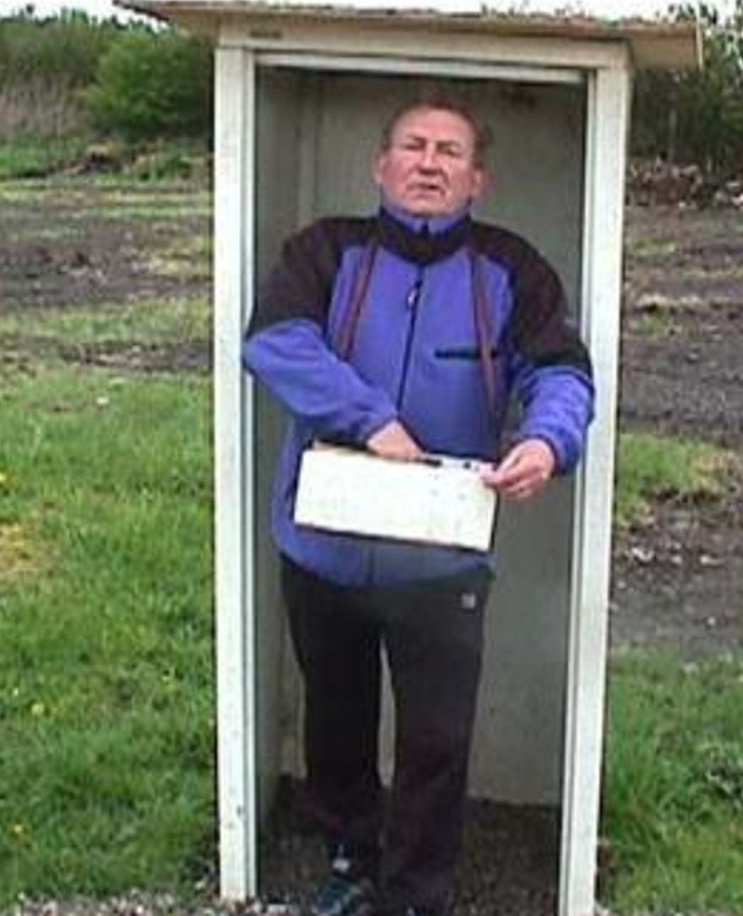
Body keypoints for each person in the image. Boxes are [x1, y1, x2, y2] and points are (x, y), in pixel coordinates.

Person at [242, 95, 594, 916]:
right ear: (381, 165)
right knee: (336, 721)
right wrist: (372, 419)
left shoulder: (514, 270)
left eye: (449, 150)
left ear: (478, 178)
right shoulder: (324, 251)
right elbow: (274, 341)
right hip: (325, 542)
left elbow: (562, 374)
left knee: (437, 736)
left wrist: (547, 442)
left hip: (442, 554)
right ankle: (350, 860)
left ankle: (415, 893)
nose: (429, 162)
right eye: (412, 145)